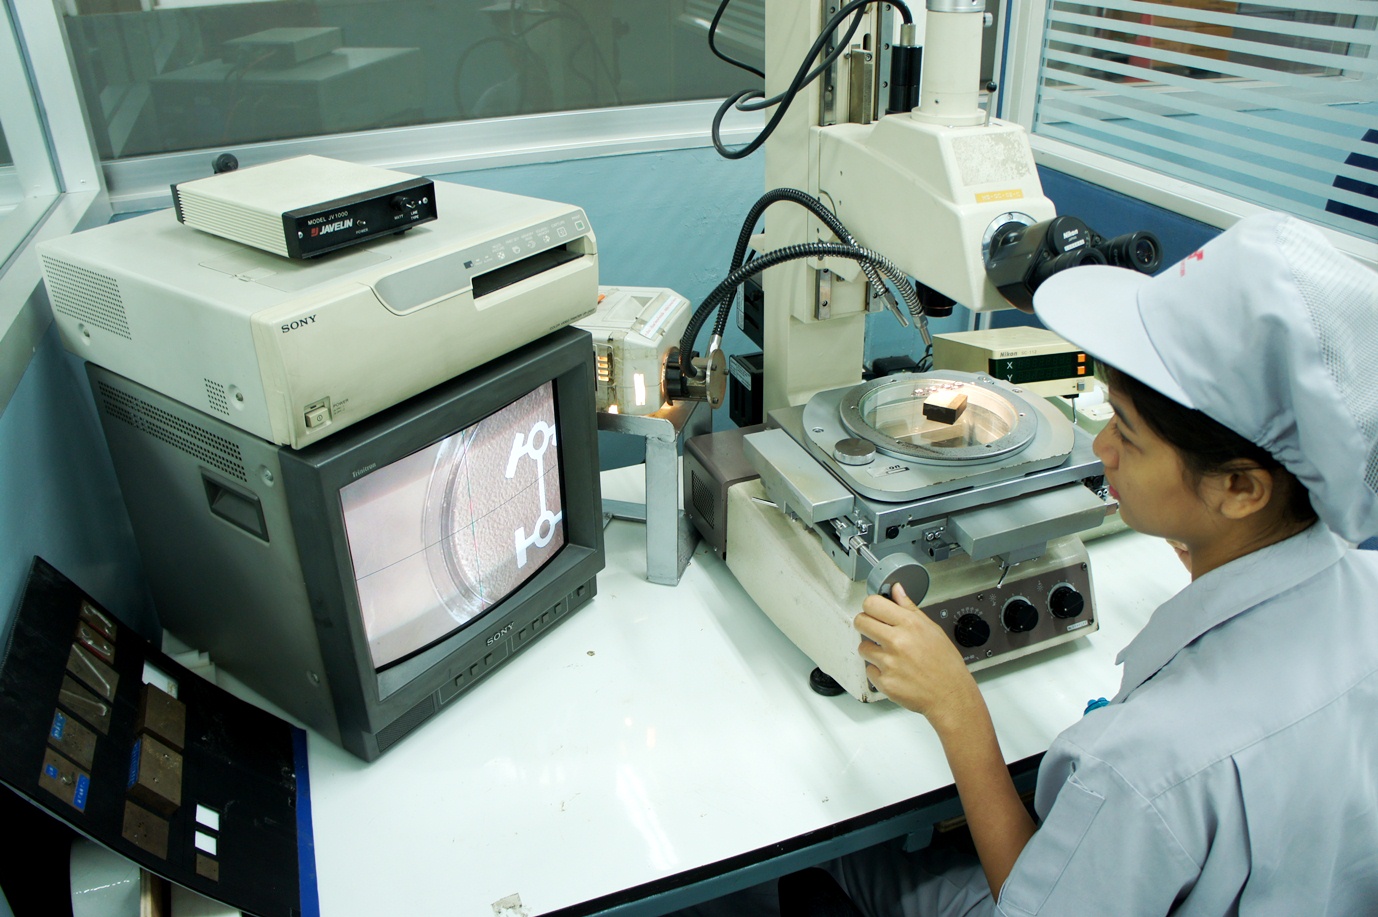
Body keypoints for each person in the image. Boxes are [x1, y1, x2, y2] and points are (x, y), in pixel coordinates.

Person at [676, 212, 1378, 916]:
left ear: (1241, 489)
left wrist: (956, 705)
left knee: (843, 850)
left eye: (1128, 434)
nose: (1100, 448)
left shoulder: (1143, 765)